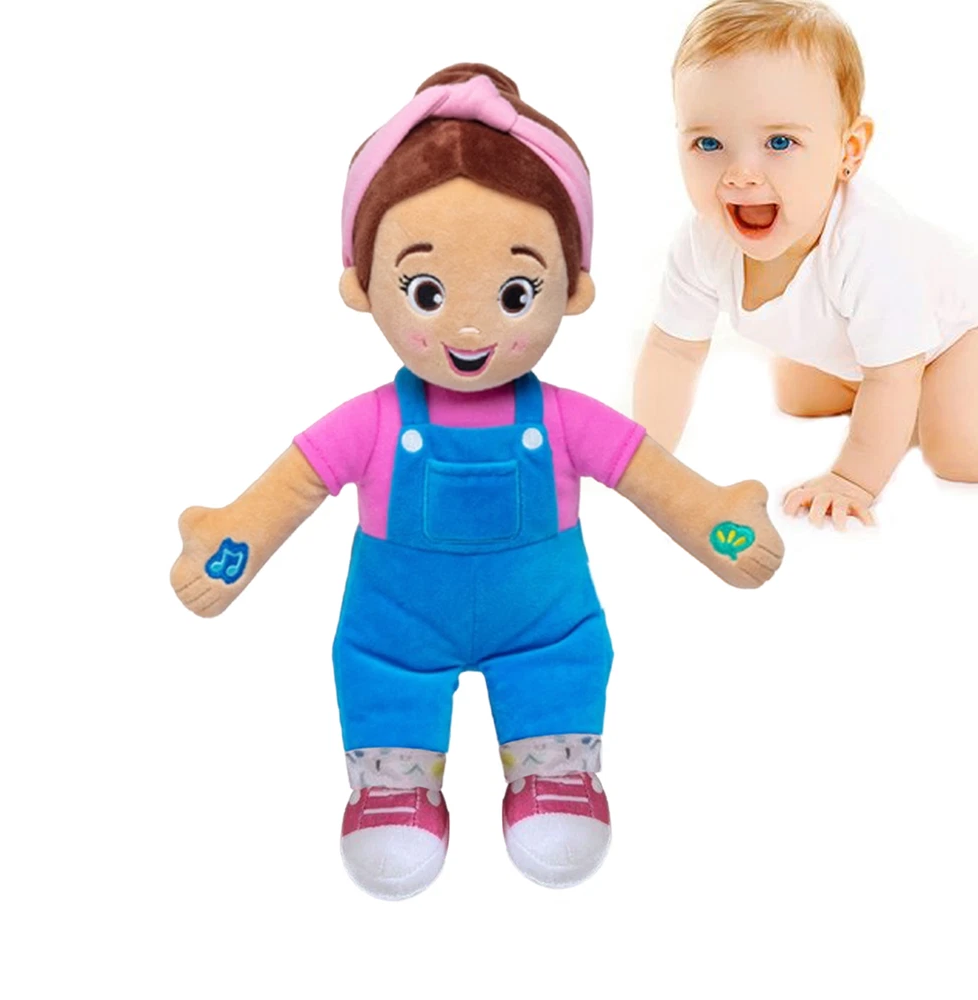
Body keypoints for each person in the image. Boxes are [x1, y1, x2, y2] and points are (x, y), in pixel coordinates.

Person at [171, 64, 783, 900]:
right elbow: (290, 488)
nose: (467, 327)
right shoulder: (371, 421)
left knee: (563, 662)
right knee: (379, 671)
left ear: (571, 289)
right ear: (364, 286)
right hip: (396, 626)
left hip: (543, 623)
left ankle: (555, 767)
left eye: (515, 292)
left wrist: (716, 520)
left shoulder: (563, 417)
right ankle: (393, 783)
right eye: (425, 291)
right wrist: (231, 542)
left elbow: (649, 475)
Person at [635, 0, 978, 529]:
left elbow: (891, 374)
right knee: (798, 396)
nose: (740, 173)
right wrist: (644, 456)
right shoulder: (703, 240)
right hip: (868, 350)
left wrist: (853, 479)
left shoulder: (870, 243)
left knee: (956, 449)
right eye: (708, 143)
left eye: (779, 142)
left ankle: (921, 407)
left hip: (956, 335)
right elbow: (672, 351)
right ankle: (905, 410)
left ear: (849, 150)